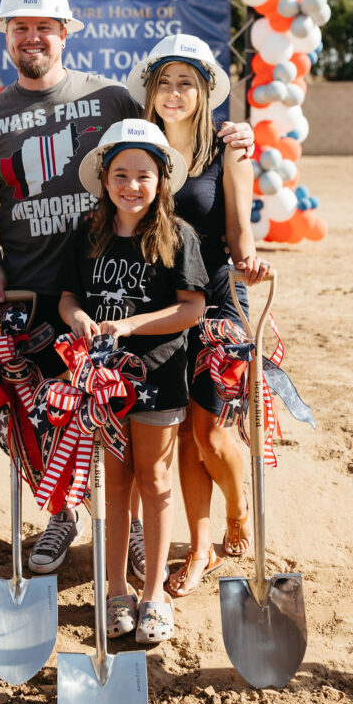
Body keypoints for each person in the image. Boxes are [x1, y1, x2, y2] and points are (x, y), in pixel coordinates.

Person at [0, 0, 254, 574]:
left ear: (65, 33)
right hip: (37, 290)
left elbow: (165, 137)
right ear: (6, 37)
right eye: (21, 27)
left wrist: (234, 131)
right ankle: (60, 517)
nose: (33, 37)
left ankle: (144, 528)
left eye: (45, 26)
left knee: (138, 418)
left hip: (119, 292)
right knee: (50, 414)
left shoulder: (112, 99)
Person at [126, 33, 272, 597]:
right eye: (164, 81)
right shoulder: (140, 145)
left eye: (186, 81)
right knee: (180, 432)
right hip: (159, 303)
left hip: (216, 299)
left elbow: (239, 229)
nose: (174, 92)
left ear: (207, 91)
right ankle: (202, 545)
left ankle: (237, 511)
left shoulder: (229, 149)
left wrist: (250, 257)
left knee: (209, 435)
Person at [58, 119, 208, 643]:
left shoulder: (178, 236)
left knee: (157, 481)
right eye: (120, 173)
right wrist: (78, 318)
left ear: (162, 180)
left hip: (159, 379)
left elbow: (191, 310)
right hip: (103, 382)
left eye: (143, 174)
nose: (131, 185)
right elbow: (68, 297)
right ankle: (117, 588)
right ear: (103, 178)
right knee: (115, 483)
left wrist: (129, 325)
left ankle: (155, 594)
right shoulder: (88, 232)